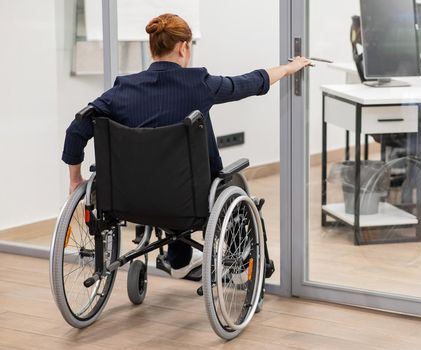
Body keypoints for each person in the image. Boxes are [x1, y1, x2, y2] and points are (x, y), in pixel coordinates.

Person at [62, 13, 311, 279]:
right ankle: (234, 261)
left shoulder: (121, 91)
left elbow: (76, 129)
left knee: (169, 178)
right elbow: (249, 82)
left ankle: (179, 258)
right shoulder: (199, 85)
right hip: (189, 202)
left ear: (152, 48)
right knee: (227, 182)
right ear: (183, 47)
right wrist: (287, 69)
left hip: (128, 202)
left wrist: (76, 180)